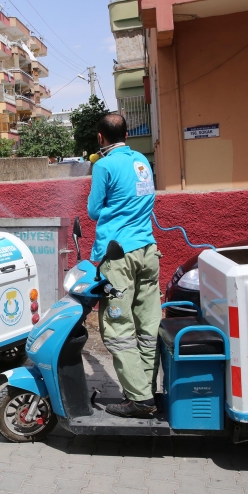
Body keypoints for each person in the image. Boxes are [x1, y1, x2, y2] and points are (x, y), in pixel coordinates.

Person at [87, 113, 160, 419]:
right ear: (127, 136)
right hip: (147, 251)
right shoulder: (141, 161)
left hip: (119, 255)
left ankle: (139, 399)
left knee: (119, 328)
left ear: (101, 139)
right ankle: (146, 387)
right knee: (148, 324)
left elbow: (93, 211)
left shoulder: (103, 165)